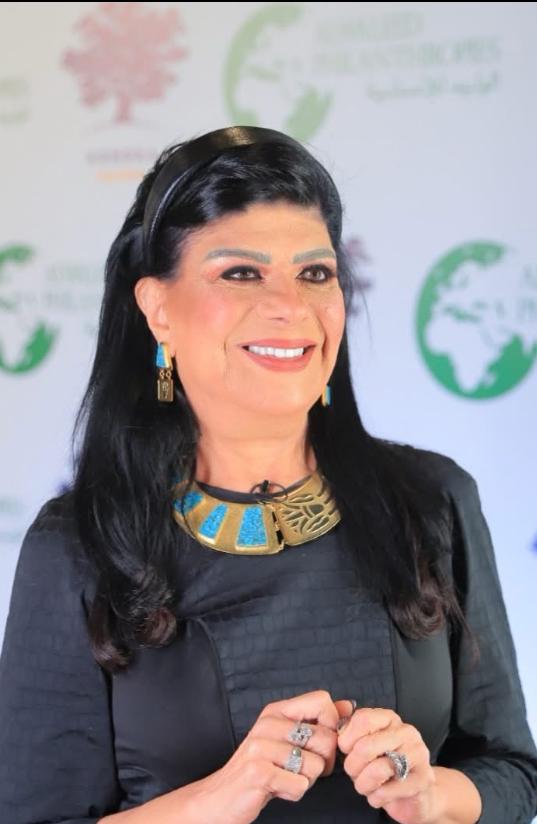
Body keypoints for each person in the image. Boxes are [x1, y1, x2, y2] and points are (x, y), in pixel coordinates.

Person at [0, 125, 536, 824]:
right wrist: (223, 795)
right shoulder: (79, 544)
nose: (290, 306)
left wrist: (432, 793)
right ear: (157, 309)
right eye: (240, 273)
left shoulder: (431, 500)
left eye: (315, 274)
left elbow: (512, 773)